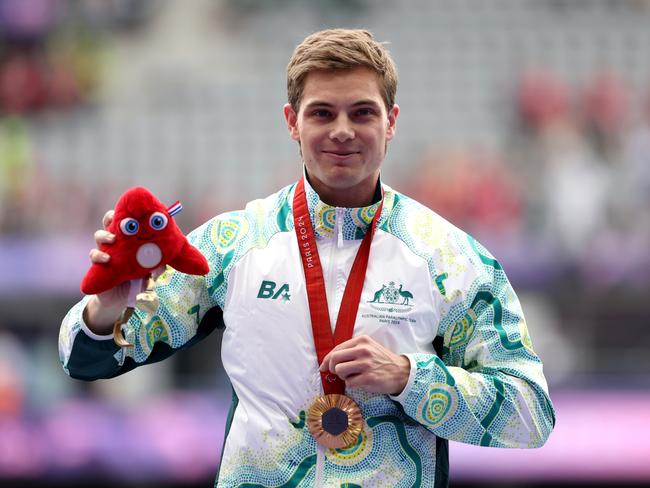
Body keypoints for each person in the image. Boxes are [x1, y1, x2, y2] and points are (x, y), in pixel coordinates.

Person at [59, 28, 555, 487]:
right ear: (292, 122)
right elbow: (84, 359)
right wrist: (105, 309)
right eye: (322, 113)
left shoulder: (450, 258)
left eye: (362, 112)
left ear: (392, 122)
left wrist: (410, 378)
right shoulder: (233, 244)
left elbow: (531, 415)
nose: (342, 130)